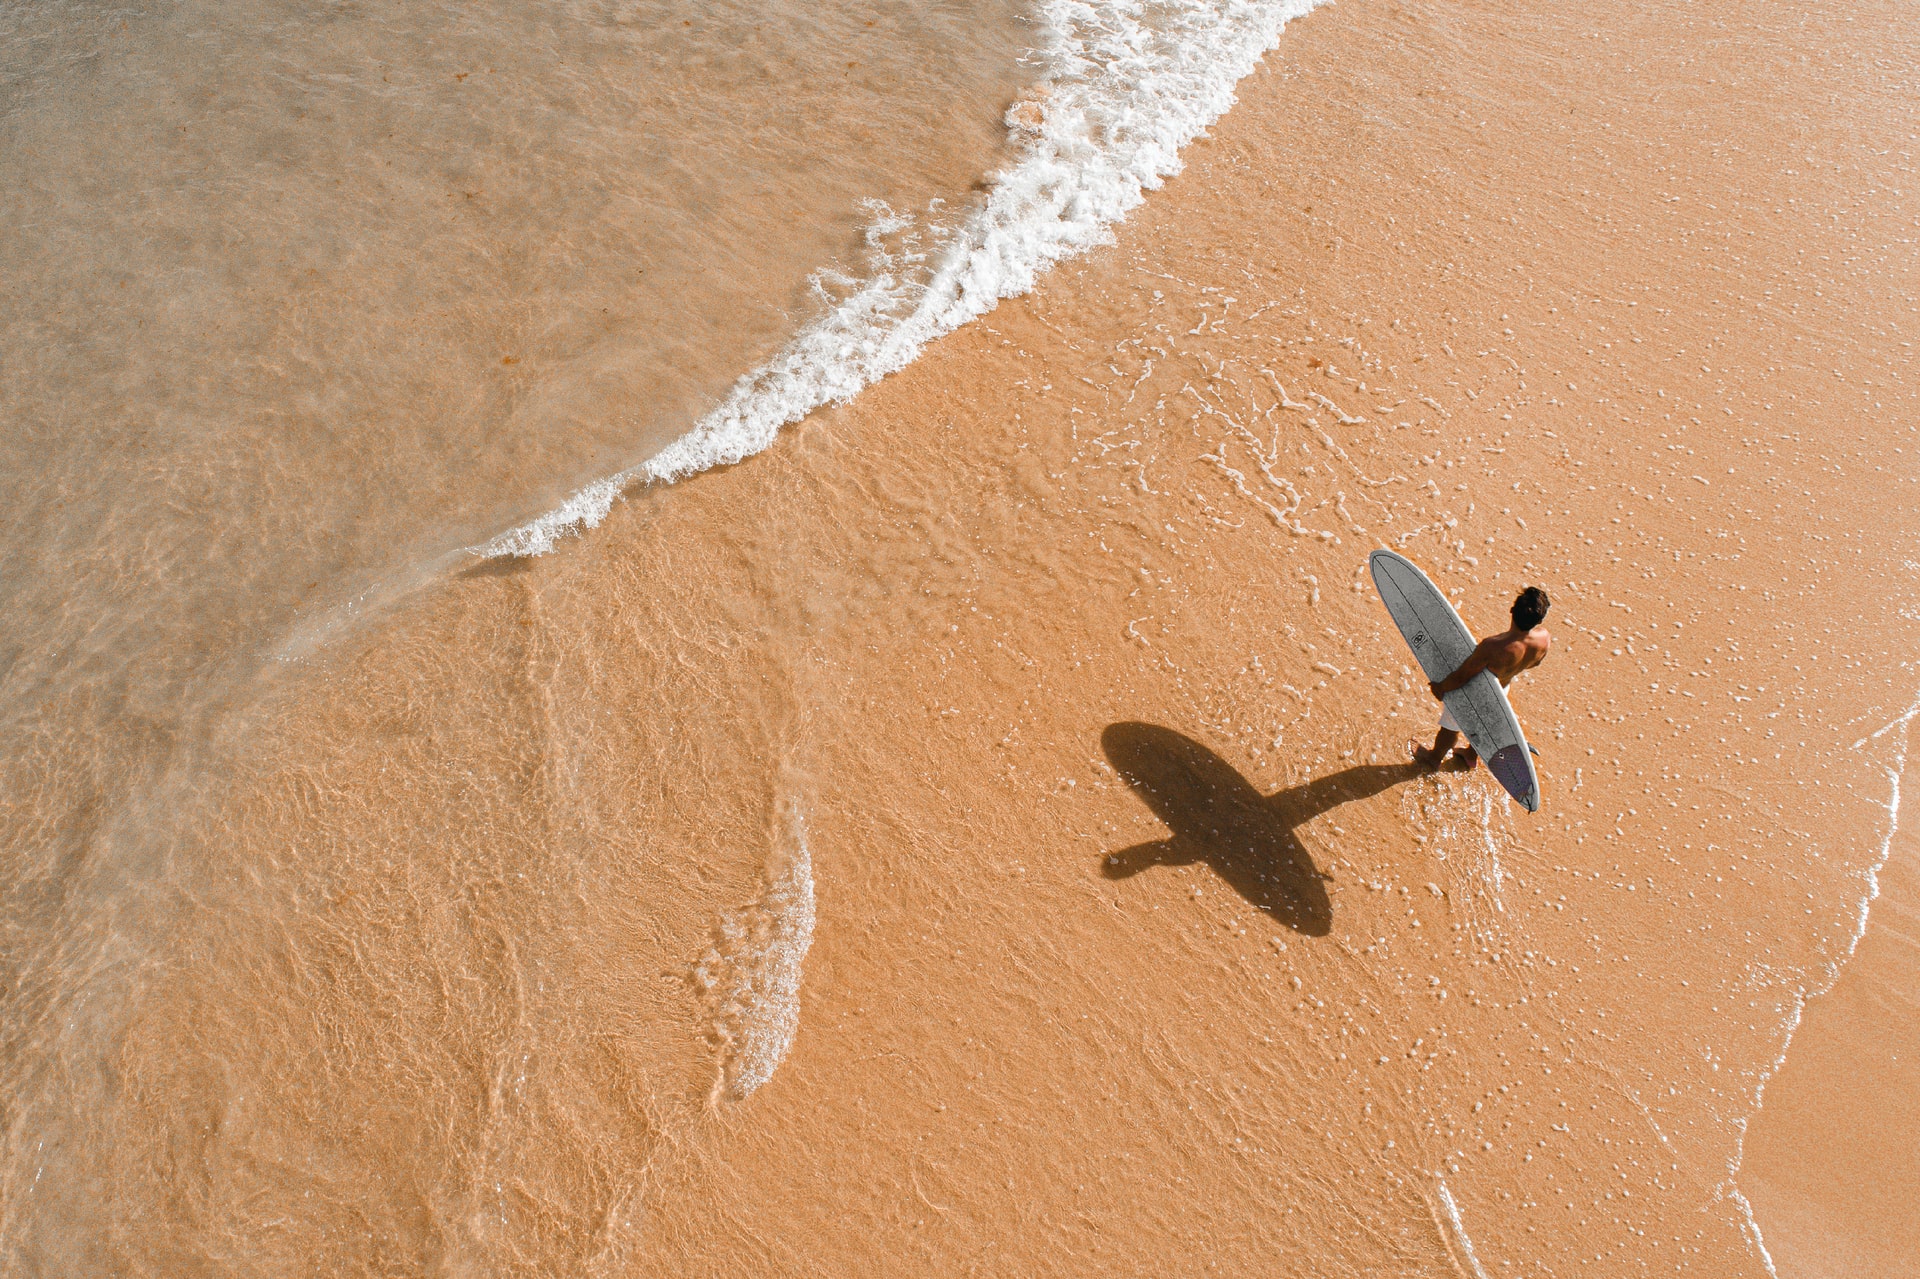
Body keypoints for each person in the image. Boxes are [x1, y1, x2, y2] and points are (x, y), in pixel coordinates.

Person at [1414, 586, 1552, 769]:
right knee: (1483, 724)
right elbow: (1536, 663)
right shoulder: (1543, 639)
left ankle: (1434, 758)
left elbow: (1462, 676)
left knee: (1450, 727)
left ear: (1512, 610)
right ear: (1539, 619)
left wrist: (1441, 687)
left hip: (1473, 692)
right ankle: (1470, 755)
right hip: (1501, 688)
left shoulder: (1494, 646)